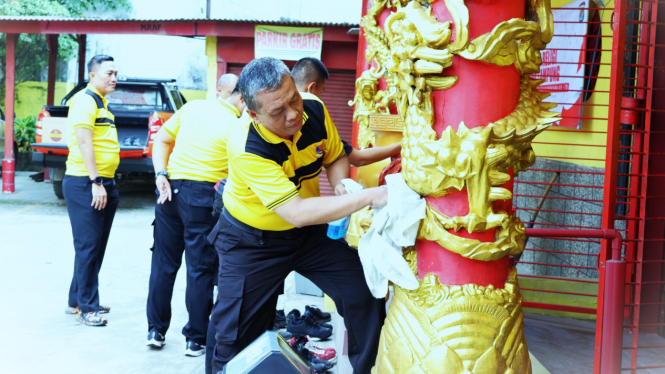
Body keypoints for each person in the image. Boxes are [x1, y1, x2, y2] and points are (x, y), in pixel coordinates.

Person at [208, 57, 388, 373]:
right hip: (251, 242)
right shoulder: (246, 145)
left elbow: (335, 158)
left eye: (294, 99)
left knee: (363, 295)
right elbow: (297, 213)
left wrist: (342, 187)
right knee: (233, 334)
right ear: (253, 114)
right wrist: (369, 196)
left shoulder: (314, 108)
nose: (293, 115)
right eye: (278, 112)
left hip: (308, 238)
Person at [146, 81, 246, 357]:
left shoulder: (192, 107)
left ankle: (155, 330)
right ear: (245, 100)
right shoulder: (239, 125)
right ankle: (196, 338)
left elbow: (162, 140)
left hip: (169, 190)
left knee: (163, 263)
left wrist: (160, 175)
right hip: (203, 197)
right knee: (200, 268)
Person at [63, 55, 120, 327]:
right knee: (87, 246)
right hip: (86, 182)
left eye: (116, 73)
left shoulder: (102, 104)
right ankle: (87, 308)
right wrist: (96, 181)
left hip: (104, 182)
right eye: (109, 73)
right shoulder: (85, 101)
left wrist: (104, 182)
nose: (114, 78)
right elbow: (85, 144)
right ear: (93, 75)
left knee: (94, 246)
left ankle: (77, 300)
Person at [291, 57, 401, 167]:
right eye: (321, 91)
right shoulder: (317, 120)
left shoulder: (277, 116)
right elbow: (358, 158)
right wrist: (402, 145)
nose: (320, 97)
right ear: (311, 88)